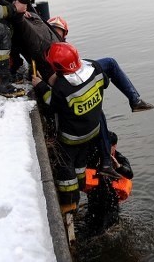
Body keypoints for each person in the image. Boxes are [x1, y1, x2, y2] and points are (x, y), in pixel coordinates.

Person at [32, 42, 110, 214]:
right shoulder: (95, 69)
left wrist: (40, 85)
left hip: (70, 139)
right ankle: (81, 185)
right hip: (92, 132)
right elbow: (105, 82)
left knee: (65, 170)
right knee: (80, 164)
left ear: (58, 67)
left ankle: (69, 203)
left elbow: (50, 104)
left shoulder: (61, 88)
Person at [47, 16, 154, 113]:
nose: (55, 32)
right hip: (71, 75)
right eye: (53, 29)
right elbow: (52, 75)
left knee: (110, 63)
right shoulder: (48, 46)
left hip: (76, 70)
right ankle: (135, 101)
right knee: (110, 63)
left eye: (58, 30)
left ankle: (135, 100)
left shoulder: (61, 45)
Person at [85, 131, 133, 233]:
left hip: (112, 198)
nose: (105, 149)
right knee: (91, 224)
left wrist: (119, 167)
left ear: (114, 146)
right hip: (95, 195)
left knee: (110, 225)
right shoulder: (95, 154)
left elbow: (130, 174)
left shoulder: (120, 158)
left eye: (108, 146)